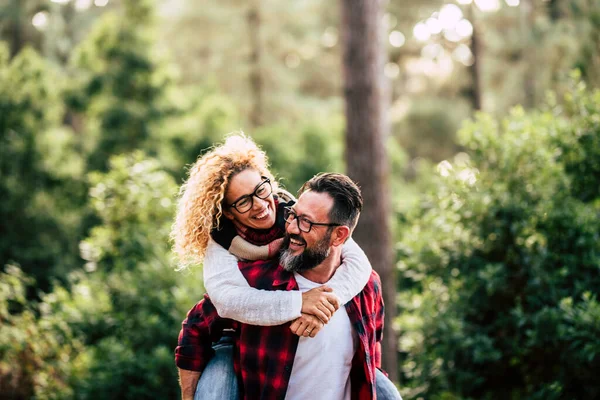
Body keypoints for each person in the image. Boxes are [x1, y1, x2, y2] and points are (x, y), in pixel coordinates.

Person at [171, 134, 400, 399]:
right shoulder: (228, 251)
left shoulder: (287, 207)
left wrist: (327, 302)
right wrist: (300, 302)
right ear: (230, 213)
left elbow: (358, 264)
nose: (260, 206)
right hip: (229, 335)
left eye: (260, 190)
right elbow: (222, 303)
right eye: (243, 202)